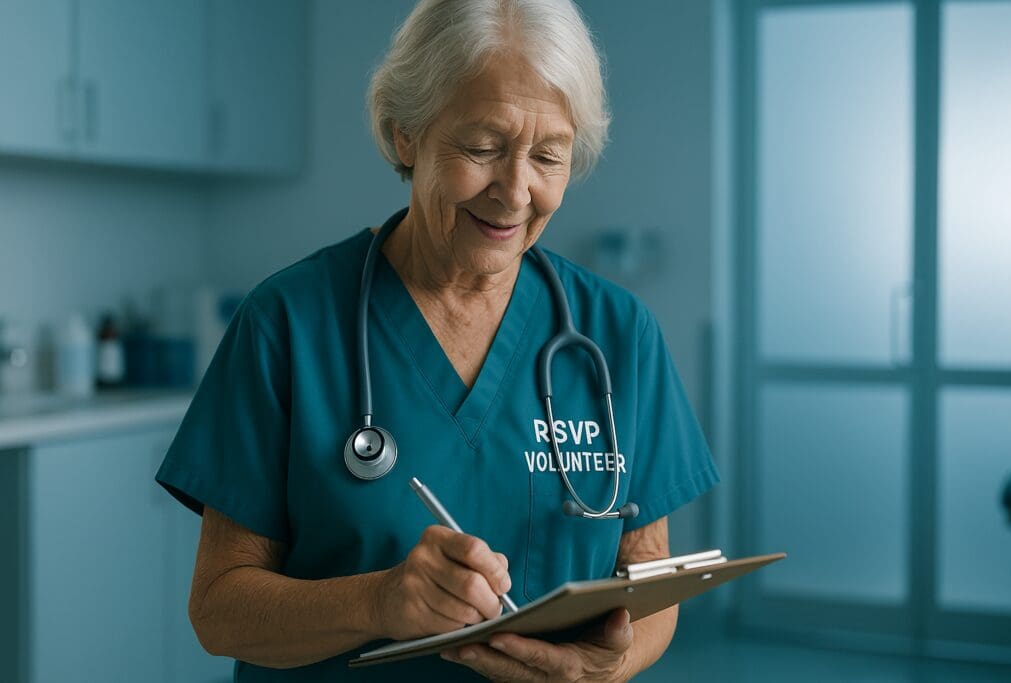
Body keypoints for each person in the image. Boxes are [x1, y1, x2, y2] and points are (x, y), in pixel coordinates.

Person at [156, 0, 719, 680]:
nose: (515, 192)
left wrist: (606, 665)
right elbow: (219, 608)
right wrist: (379, 600)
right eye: (482, 148)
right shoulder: (287, 324)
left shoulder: (619, 333)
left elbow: (651, 583)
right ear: (405, 135)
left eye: (548, 156)